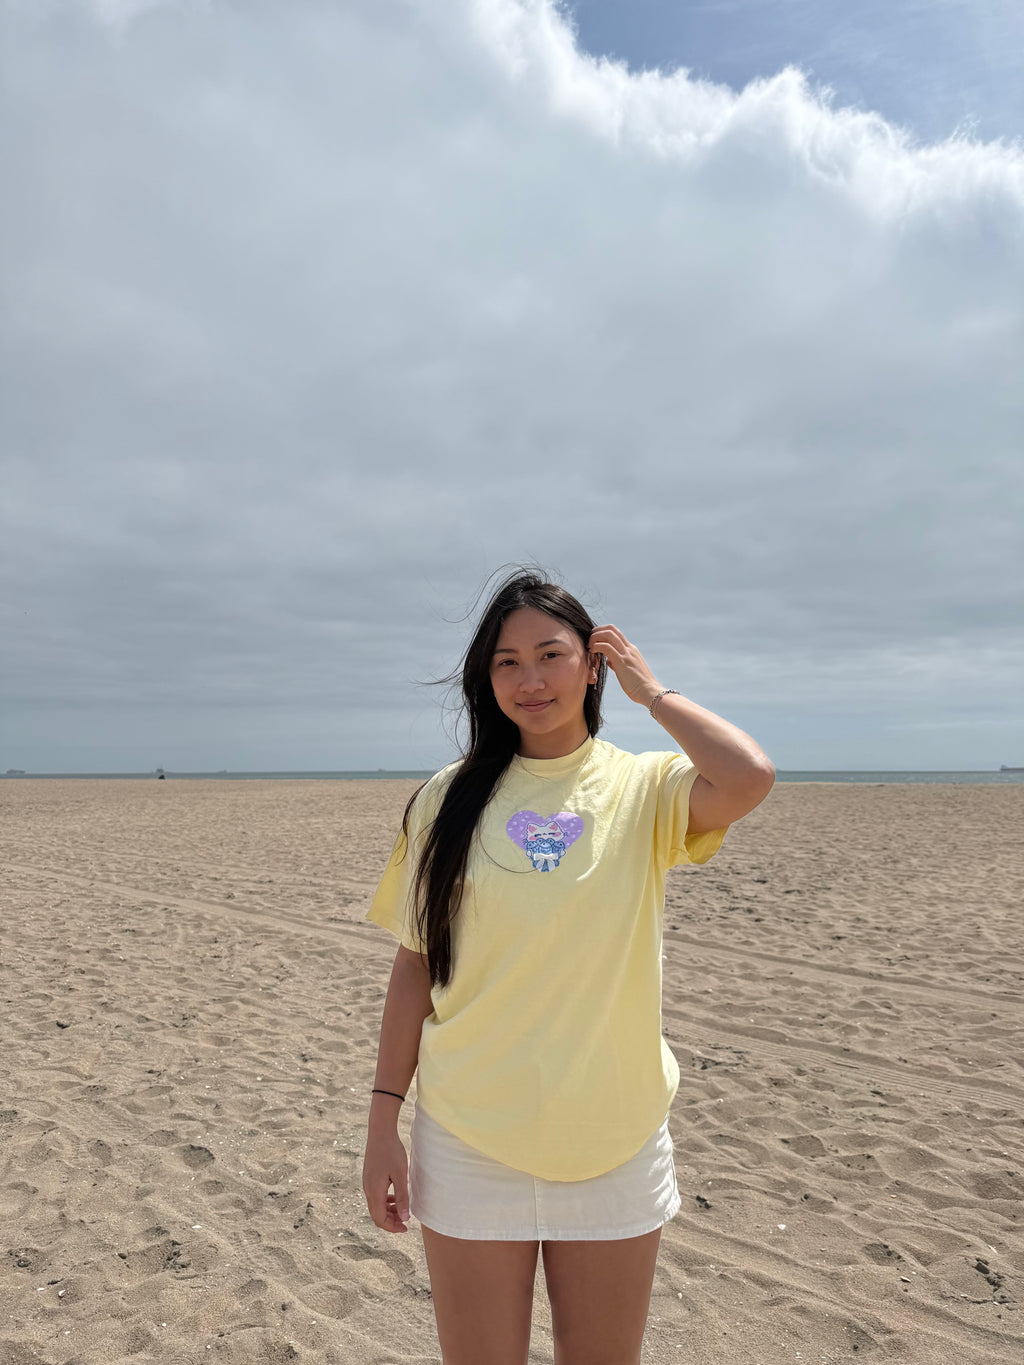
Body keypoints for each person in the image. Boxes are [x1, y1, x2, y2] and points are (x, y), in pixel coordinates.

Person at [361, 569, 774, 1365]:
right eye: (507, 662)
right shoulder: (444, 801)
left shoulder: (646, 786)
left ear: (593, 665)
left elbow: (749, 776)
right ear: (487, 678)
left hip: (613, 1136)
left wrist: (653, 694)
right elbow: (415, 967)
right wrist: (383, 1122)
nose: (531, 679)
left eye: (551, 655)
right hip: (471, 1135)